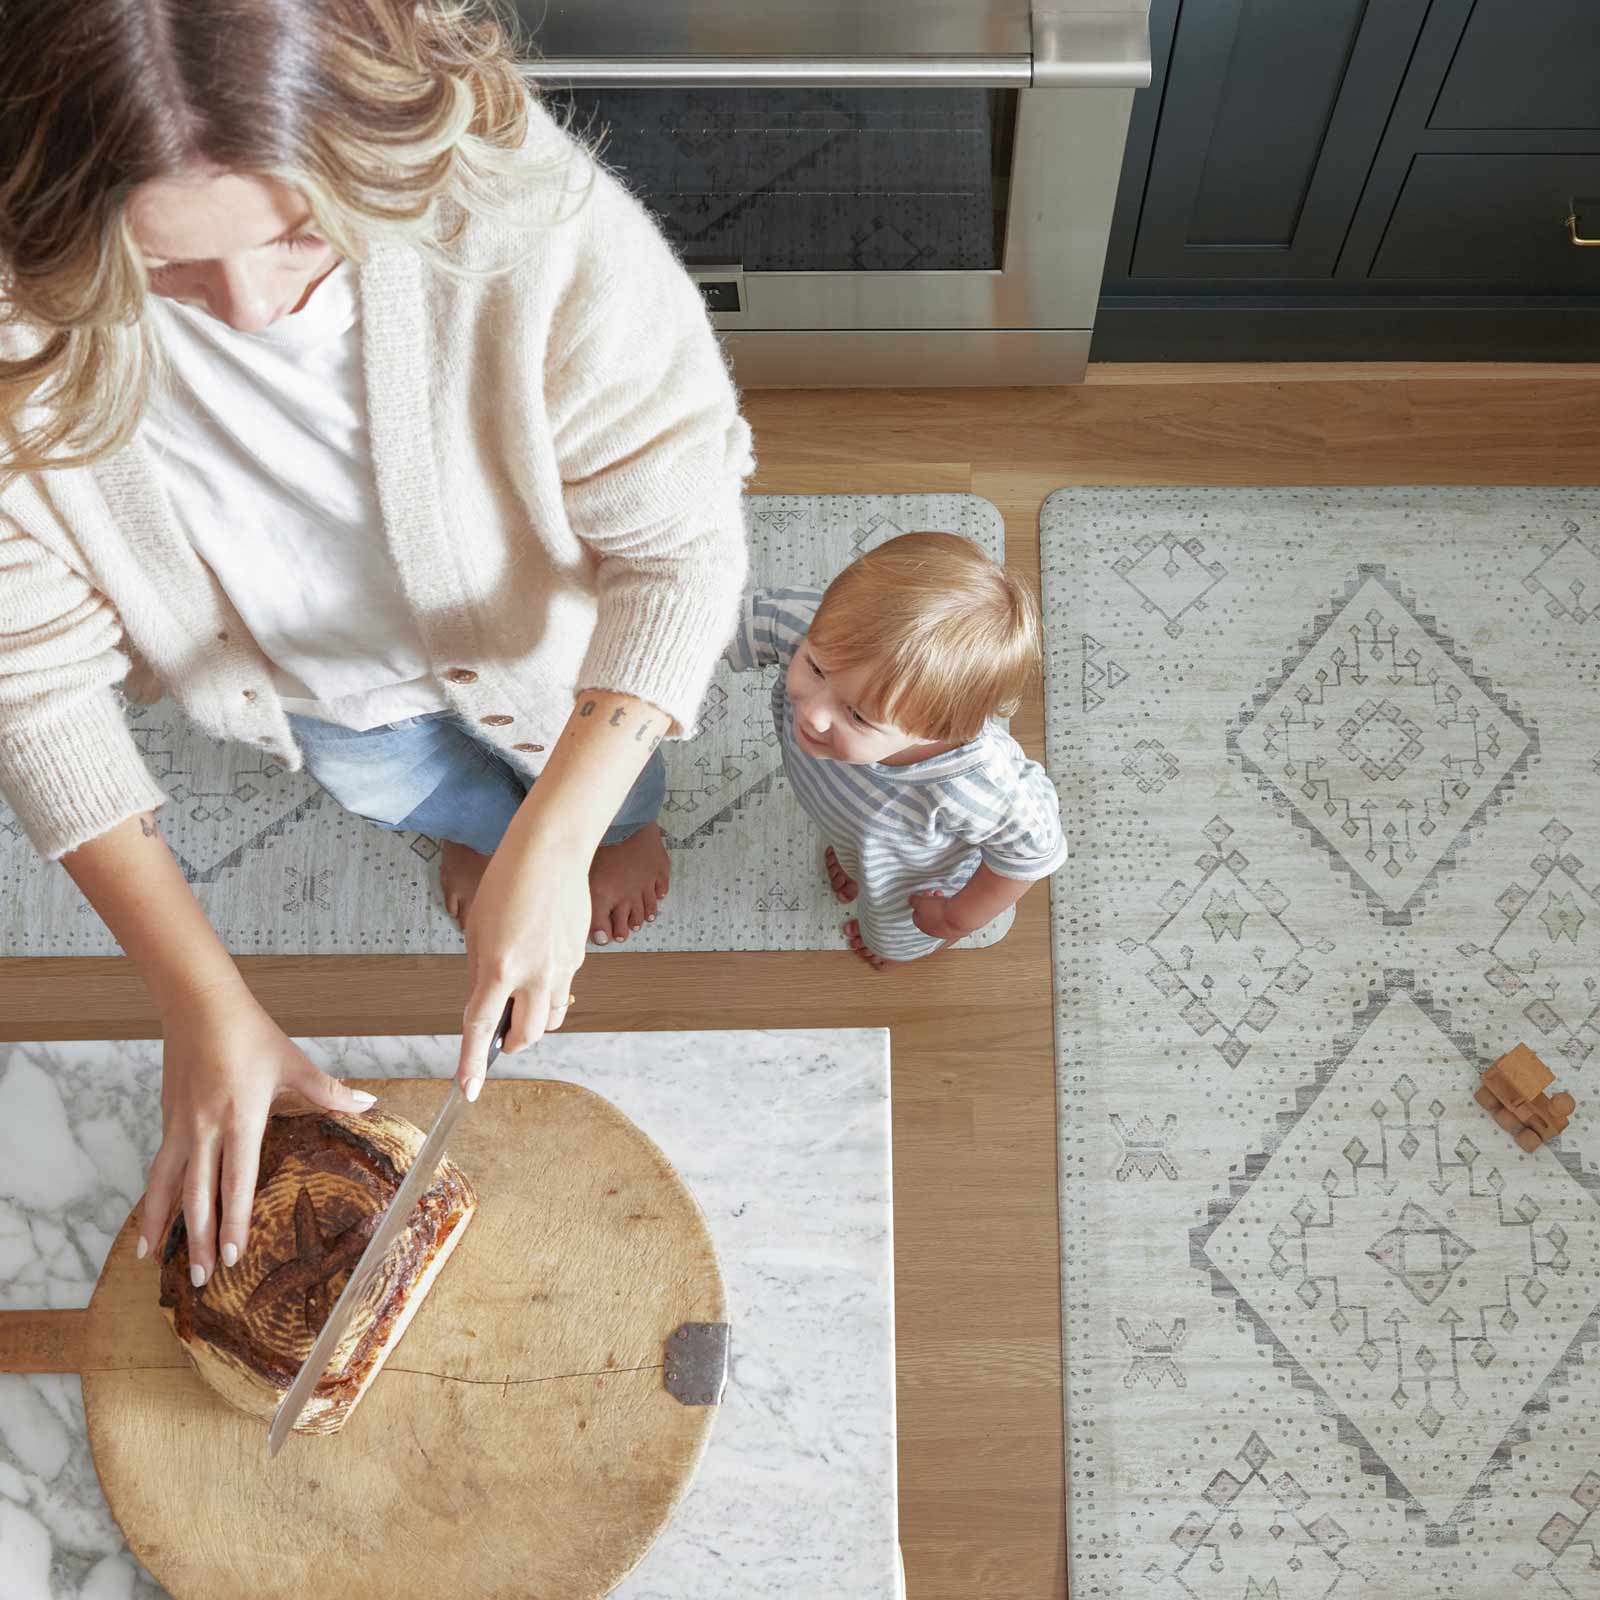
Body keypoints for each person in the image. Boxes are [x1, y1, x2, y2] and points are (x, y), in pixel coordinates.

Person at [0, 2, 753, 1287]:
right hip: (313, 701)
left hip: (554, 665)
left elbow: (678, 553)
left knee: (613, 791)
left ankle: (603, 826)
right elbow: (31, 682)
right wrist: (200, 1003)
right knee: (408, 783)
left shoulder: (530, 223)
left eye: (299, 237)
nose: (246, 309)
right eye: (166, 272)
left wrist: (566, 842)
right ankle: (476, 832)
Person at [726, 531, 1065, 968]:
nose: (814, 714)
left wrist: (955, 917)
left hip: (912, 877)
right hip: (846, 813)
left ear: (935, 729)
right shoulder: (825, 631)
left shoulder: (975, 784)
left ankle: (915, 943)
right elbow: (722, 623)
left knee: (891, 935)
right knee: (852, 841)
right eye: (814, 667)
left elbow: (1033, 849)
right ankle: (854, 857)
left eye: (859, 716)